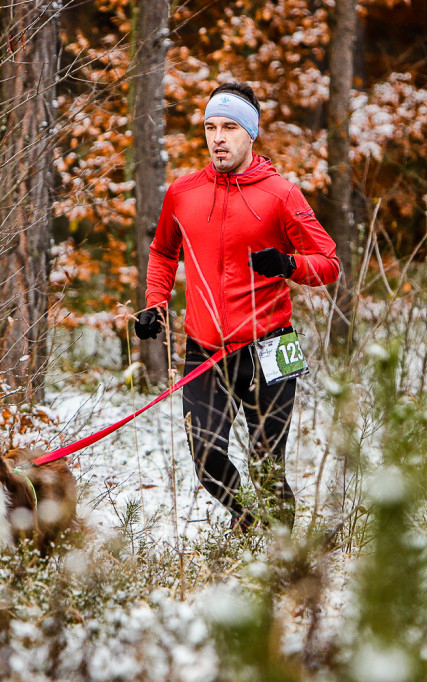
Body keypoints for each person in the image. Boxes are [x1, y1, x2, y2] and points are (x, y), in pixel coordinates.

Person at [135, 82, 340, 530]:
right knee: (206, 457)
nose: (218, 137)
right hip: (205, 349)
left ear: (251, 134)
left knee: (268, 467)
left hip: (273, 346)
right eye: (210, 127)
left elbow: (329, 264)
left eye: (229, 126)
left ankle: (283, 550)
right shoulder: (183, 193)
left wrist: (288, 264)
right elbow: (163, 252)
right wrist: (156, 303)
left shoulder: (282, 195)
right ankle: (250, 521)